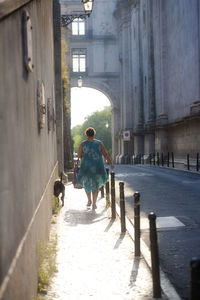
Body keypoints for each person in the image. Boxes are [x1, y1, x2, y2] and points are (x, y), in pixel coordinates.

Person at [77, 127, 114, 209]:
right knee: (95, 185)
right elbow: (106, 154)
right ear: (94, 134)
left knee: (86, 184)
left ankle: (89, 200)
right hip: (97, 167)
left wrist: (85, 154)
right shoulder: (99, 143)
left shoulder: (83, 144)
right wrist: (110, 163)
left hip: (86, 168)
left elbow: (79, 156)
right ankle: (94, 203)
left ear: (86, 134)